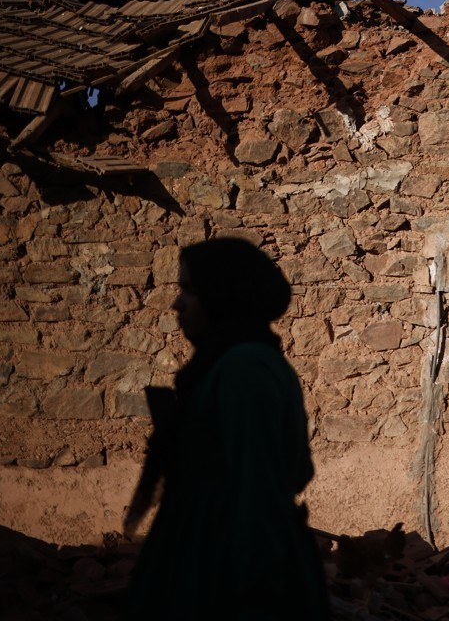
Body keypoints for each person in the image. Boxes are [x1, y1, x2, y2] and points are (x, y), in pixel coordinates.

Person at [123, 237, 329, 620]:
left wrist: (253, 592)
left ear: (222, 294)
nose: (176, 304)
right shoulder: (228, 364)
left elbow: (260, 493)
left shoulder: (244, 369)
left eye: (189, 290)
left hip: (225, 572)